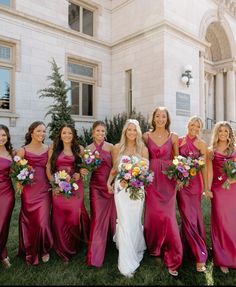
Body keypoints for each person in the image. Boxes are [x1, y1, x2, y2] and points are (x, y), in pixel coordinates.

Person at [143, 106, 183, 276]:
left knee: (168, 215)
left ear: (167, 119)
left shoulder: (173, 137)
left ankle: (172, 250)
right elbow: (141, 155)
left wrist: (180, 176)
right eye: (157, 116)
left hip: (168, 178)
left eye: (163, 117)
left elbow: (178, 158)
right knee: (152, 213)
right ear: (153, 118)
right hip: (151, 178)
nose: (160, 119)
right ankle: (153, 246)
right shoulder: (146, 136)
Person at [107, 119, 148, 278]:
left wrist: (137, 176)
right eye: (129, 129)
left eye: (134, 130)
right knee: (124, 220)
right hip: (121, 188)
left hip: (137, 189)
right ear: (125, 131)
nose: (131, 132)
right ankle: (125, 259)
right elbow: (115, 168)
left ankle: (136, 245)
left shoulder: (143, 149)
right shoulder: (118, 148)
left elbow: (146, 170)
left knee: (134, 219)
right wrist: (108, 183)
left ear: (137, 132)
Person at [46, 124, 90, 263]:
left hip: (76, 186)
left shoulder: (80, 149)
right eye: (64, 133)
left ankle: (75, 244)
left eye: (69, 133)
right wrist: (53, 183)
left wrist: (80, 173)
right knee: (59, 216)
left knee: (73, 216)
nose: (67, 136)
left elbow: (85, 167)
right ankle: (61, 247)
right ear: (60, 134)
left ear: (73, 135)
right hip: (58, 186)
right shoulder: (53, 148)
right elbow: (48, 166)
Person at [17, 121, 53, 265]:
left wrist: (53, 183)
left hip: (44, 189)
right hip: (29, 190)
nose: (42, 134)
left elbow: (49, 169)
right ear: (31, 132)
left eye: (44, 131)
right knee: (30, 221)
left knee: (42, 222)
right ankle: (29, 248)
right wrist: (19, 180)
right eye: (39, 131)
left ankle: (44, 249)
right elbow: (16, 170)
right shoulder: (23, 150)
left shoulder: (48, 149)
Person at [177, 116, 208, 272]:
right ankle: (185, 248)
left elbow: (203, 167)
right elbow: (175, 161)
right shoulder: (179, 141)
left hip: (195, 185)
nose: (194, 128)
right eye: (192, 124)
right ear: (188, 124)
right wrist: (179, 179)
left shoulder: (202, 144)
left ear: (200, 128)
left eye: (197, 126)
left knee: (193, 215)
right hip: (182, 185)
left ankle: (199, 255)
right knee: (186, 216)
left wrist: (206, 187)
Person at [207, 121, 236, 274]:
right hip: (218, 190)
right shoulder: (211, 151)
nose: (223, 134)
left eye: (226, 131)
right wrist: (207, 188)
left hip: (233, 189)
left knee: (232, 222)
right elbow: (210, 172)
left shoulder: (235, 149)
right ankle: (222, 258)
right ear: (217, 133)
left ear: (230, 134)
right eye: (220, 131)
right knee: (221, 222)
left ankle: (233, 254)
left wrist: (232, 179)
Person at [86, 121, 116, 267]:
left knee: (114, 217)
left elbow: (116, 166)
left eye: (103, 131)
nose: (101, 133)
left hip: (110, 186)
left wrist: (111, 183)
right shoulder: (88, 149)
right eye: (98, 131)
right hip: (96, 188)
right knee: (97, 219)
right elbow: (85, 169)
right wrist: (84, 170)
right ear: (93, 132)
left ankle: (114, 245)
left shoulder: (111, 147)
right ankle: (95, 256)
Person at [0, 125, 15, 268]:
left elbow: (17, 172)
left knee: (2, 225)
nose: (1, 138)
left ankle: (2, 254)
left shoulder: (12, 153)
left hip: (6, 192)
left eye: (4, 135)